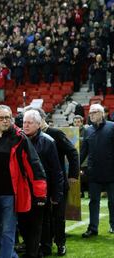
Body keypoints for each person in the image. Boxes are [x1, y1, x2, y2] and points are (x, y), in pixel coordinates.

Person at [0, 105, 46, 258]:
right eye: (1, 118)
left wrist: (40, 193)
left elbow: (34, 166)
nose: (6, 121)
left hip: (11, 194)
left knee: (8, 230)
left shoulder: (20, 138)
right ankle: (11, 255)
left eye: (8, 117)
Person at [35, 108, 79, 255]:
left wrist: (73, 174)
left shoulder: (55, 133)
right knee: (44, 216)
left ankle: (61, 243)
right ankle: (45, 244)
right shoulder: (31, 135)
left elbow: (72, 152)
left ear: (41, 119)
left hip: (57, 182)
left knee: (58, 216)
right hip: (41, 183)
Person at [22, 110, 64, 258]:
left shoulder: (48, 141)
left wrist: (56, 193)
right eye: (24, 122)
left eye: (29, 123)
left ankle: (45, 247)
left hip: (43, 189)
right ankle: (31, 246)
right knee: (26, 220)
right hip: (25, 189)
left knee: (43, 221)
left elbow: (56, 170)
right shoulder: (19, 139)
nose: (25, 125)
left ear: (38, 124)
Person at [81, 104, 114, 237]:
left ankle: (113, 225)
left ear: (102, 113)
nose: (91, 115)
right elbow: (83, 152)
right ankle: (93, 228)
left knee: (113, 201)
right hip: (94, 172)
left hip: (112, 172)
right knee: (93, 201)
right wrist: (74, 167)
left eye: (94, 112)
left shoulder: (112, 127)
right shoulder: (88, 130)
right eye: (90, 113)